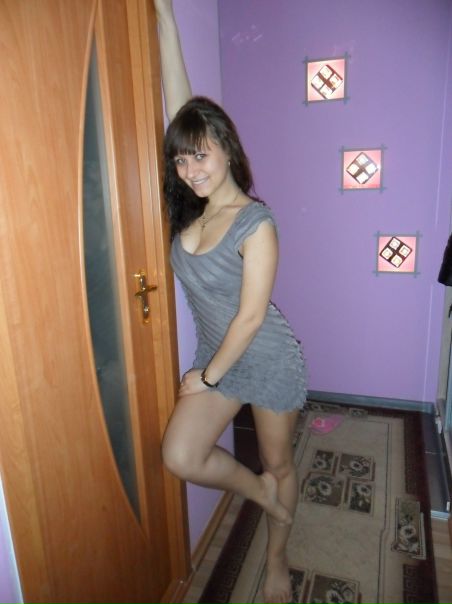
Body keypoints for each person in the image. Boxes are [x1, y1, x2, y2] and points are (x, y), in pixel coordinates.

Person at [153, 2, 307, 602]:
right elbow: (181, 106)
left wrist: (208, 377)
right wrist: (165, 16)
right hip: (219, 356)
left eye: (200, 154)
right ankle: (258, 493)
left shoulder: (255, 222)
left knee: (280, 462)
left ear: (226, 147)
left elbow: (251, 317)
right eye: (181, 158)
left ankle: (277, 558)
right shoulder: (193, 209)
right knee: (181, 455)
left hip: (262, 356)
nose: (190, 168)